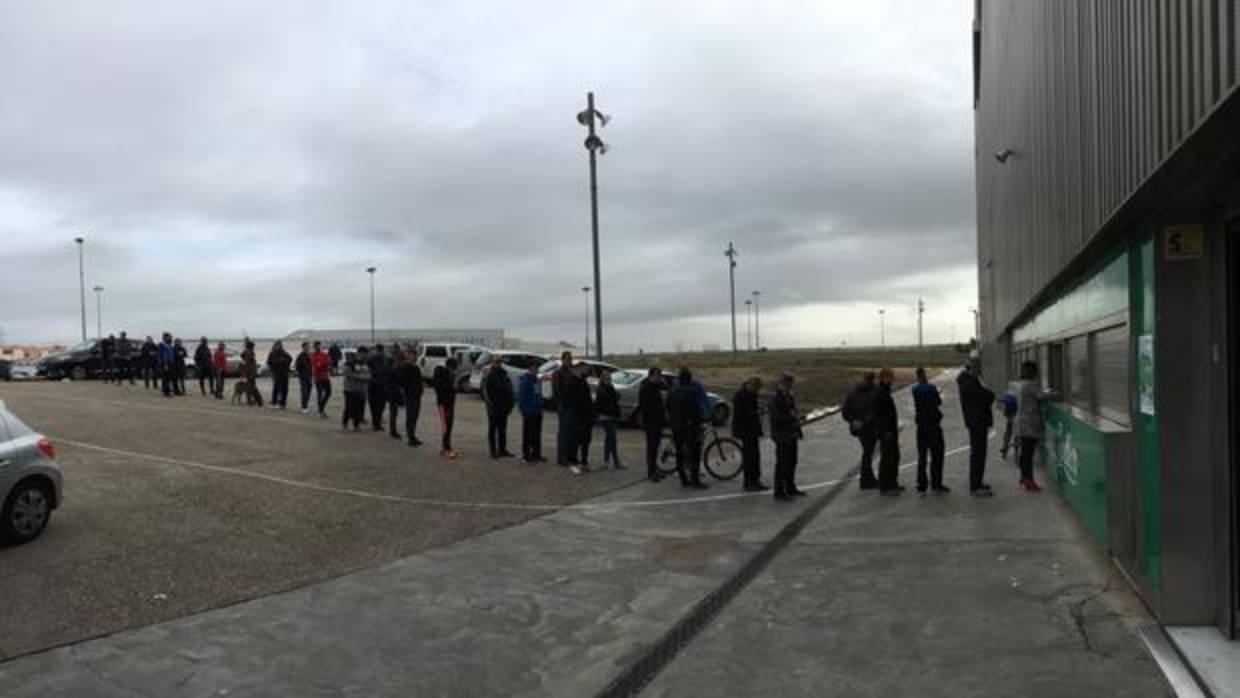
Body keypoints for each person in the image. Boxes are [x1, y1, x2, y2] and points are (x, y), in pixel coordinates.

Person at [958, 357, 996, 497]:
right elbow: (986, 396)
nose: (980, 372)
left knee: (979, 454)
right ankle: (975, 486)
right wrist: (989, 394)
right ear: (971, 368)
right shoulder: (969, 384)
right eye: (978, 369)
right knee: (978, 454)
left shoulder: (970, 382)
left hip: (977, 421)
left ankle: (978, 482)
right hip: (977, 422)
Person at [666, 368, 707, 489]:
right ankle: (695, 480)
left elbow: (667, 406)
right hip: (691, 427)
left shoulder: (672, 391)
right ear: (690, 379)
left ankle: (683, 479)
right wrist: (701, 420)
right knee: (694, 454)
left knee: (680, 453)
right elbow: (695, 410)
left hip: (676, 426)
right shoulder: (691, 391)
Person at [912, 367, 949, 494]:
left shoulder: (915, 389)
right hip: (933, 425)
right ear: (925, 375)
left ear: (917, 376)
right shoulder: (931, 388)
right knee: (937, 455)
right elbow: (937, 402)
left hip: (921, 426)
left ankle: (921, 485)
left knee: (922, 456)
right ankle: (936, 483)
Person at [841, 372, 879, 490]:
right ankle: (865, 481)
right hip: (870, 427)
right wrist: (864, 422)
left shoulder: (853, 392)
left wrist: (853, 421)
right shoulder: (875, 392)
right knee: (868, 453)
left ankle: (869, 478)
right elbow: (875, 411)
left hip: (858, 428)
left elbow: (845, 412)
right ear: (873, 379)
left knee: (867, 452)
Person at [770, 372, 804, 501]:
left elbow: (793, 411)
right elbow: (777, 417)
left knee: (792, 462)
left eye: (791, 384)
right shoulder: (775, 399)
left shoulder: (789, 397)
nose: (790, 386)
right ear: (782, 384)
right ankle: (779, 491)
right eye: (788, 384)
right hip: (781, 435)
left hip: (791, 434)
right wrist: (792, 417)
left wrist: (796, 418)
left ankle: (790, 487)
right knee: (782, 464)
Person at [1015, 360, 1046, 492]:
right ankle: (1029, 480)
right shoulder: (1030, 385)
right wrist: (1055, 394)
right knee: (1028, 452)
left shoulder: (1021, 384)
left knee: (1024, 452)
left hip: (1022, 422)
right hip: (1029, 423)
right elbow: (1041, 397)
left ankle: (1024, 476)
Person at [732, 377, 768, 491]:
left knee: (755, 455)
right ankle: (749, 482)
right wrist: (755, 412)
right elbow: (741, 414)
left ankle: (755, 480)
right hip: (745, 430)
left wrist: (758, 411)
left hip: (752, 430)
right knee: (749, 456)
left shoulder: (752, 395)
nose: (756, 391)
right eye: (756, 388)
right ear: (750, 385)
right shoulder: (740, 396)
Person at [874, 368, 903, 496]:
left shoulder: (884, 391)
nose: (893, 380)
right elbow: (880, 414)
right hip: (886, 432)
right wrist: (886, 431)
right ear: (884, 378)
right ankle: (885, 487)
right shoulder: (880, 393)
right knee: (888, 458)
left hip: (890, 431)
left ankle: (893, 483)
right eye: (891, 378)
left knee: (894, 457)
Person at [482, 356, 516, 459]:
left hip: (504, 407)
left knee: (502, 429)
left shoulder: (504, 374)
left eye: (500, 362)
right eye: (496, 362)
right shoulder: (489, 375)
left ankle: (502, 449)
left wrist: (510, 404)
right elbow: (486, 392)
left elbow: (509, 389)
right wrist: (490, 405)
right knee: (493, 429)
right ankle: (493, 451)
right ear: (492, 363)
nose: (498, 364)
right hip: (494, 407)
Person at [638, 367, 666, 482]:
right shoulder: (645, 388)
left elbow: (666, 387)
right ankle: (651, 472)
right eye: (657, 376)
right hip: (651, 422)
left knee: (656, 447)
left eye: (660, 376)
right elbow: (644, 407)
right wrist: (653, 417)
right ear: (651, 376)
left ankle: (655, 469)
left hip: (658, 421)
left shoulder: (655, 387)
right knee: (651, 448)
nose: (659, 378)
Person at [570, 362, 597, 473]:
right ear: (578, 369)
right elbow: (575, 400)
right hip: (579, 416)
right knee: (577, 440)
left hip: (588, 415)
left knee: (586, 440)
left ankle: (584, 461)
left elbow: (588, 399)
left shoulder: (584, 381)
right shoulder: (573, 381)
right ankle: (574, 461)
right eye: (584, 369)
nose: (586, 371)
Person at [595, 370, 624, 469]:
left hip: (611, 416)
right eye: (606, 378)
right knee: (612, 439)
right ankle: (615, 461)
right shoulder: (601, 389)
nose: (608, 380)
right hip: (606, 416)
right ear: (602, 379)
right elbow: (604, 403)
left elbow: (615, 400)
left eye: (609, 378)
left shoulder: (610, 387)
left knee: (609, 439)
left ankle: (607, 461)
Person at [396, 346, 424, 446]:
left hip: (417, 396)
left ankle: (413, 436)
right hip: (410, 396)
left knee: (415, 417)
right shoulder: (405, 368)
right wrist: (403, 395)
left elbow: (419, 381)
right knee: (410, 417)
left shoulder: (416, 368)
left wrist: (421, 390)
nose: (415, 357)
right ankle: (410, 438)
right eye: (412, 355)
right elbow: (400, 383)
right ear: (408, 356)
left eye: (415, 355)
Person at [553, 351, 576, 466]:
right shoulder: (558, 373)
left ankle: (570, 456)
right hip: (564, 407)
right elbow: (557, 391)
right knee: (563, 433)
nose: (569, 361)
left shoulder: (572, 372)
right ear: (562, 360)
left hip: (572, 406)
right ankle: (562, 458)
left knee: (571, 433)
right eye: (567, 359)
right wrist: (560, 405)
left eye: (570, 359)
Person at [518, 362, 544, 463]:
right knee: (528, 434)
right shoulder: (525, 381)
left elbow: (539, 394)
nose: (536, 370)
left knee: (536, 434)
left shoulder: (537, 381)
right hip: (529, 411)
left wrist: (540, 405)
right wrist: (524, 410)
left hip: (537, 411)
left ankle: (536, 453)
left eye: (537, 368)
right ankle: (526, 454)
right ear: (530, 369)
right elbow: (522, 397)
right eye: (534, 368)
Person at [433, 357, 459, 458]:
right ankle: (446, 448)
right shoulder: (443, 377)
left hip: (448, 404)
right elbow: (444, 390)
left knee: (448, 426)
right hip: (444, 405)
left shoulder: (447, 375)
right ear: (449, 367)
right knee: (446, 426)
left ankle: (445, 447)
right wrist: (453, 386)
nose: (454, 371)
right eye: (454, 368)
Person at [341, 347, 370, 431]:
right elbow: (347, 374)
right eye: (363, 354)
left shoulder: (365, 364)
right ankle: (345, 423)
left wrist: (366, 378)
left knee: (358, 408)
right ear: (359, 353)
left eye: (365, 354)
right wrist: (359, 377)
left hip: (360, 389)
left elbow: (368, 374)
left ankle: (356, 425)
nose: (364, 356)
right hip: (349, 389)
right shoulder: (350, 363)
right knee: (349, 407)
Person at [385, 347, 405, 440]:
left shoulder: (396, 366)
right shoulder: (391, 366)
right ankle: (393, 430)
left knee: (394, 412)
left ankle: (393, 430)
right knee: (394, 412)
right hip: (393, 392)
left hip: (395, 392)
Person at [366, 344, 388, 432]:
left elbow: (387, 371)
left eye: (381, 351)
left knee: (382, 405)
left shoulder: (385, 360)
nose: (380, 352)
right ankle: (375, 424)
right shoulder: (371, 360)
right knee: (374, 406)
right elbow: (367, 371)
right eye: (378, 351)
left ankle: (378, 423)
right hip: (373, 385)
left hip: (383, 386)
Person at [267, 340, 292, 409]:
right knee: (276, 388)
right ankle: (274, 402)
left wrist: (284, 362)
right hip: (276, 373)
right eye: (277, 345)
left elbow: (290, 359)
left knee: (285, 389)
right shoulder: (272, 354)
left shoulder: (284, 353)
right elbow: (269, 362)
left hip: (284, 373)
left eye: (280, 345)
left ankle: (283, 404)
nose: (279, 346)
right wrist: (276, 364)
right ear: (275, 346)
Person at [311, 341, 332, 418]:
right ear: (314, 347)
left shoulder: (324, 354)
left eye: (319, 346)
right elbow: (316, 366)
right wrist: (324, 364)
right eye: (316, 346)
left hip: (325, 377)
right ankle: (321, 411)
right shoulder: (313, 355)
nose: (318, 347)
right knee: (319, 394)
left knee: (328, 393)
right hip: (318, 378)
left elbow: (329, 362)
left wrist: (324, 364)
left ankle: (321, 408)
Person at [239, 339, 262, 406]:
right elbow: (242, 356)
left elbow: (243, 357)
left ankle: (255, 401)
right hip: (249, 373)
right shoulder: (249, 353)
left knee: (251, 387)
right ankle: (254, 401)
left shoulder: (249, 353)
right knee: (250, 387)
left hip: (250, 373)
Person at [998, 390, 1019, 460]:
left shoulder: (1012, 406)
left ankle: (1010, 450)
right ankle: (1005, 447)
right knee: (1008, 433)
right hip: (1012, 417)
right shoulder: (1010, 405)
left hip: (1015, 418)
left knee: (1014, 435)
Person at [294, 342, 313, 413]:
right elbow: (297, 365)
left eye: (308, 346)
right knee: (304, 391)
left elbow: (311, 364)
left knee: (309, 390)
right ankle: (304, 406)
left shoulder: (310, 355)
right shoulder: (300, 356)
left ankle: (305, 404)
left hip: (309, 375)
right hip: (303, 376)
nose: (308, 348)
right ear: (303, 347)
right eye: (306, 346)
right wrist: (300, 372)